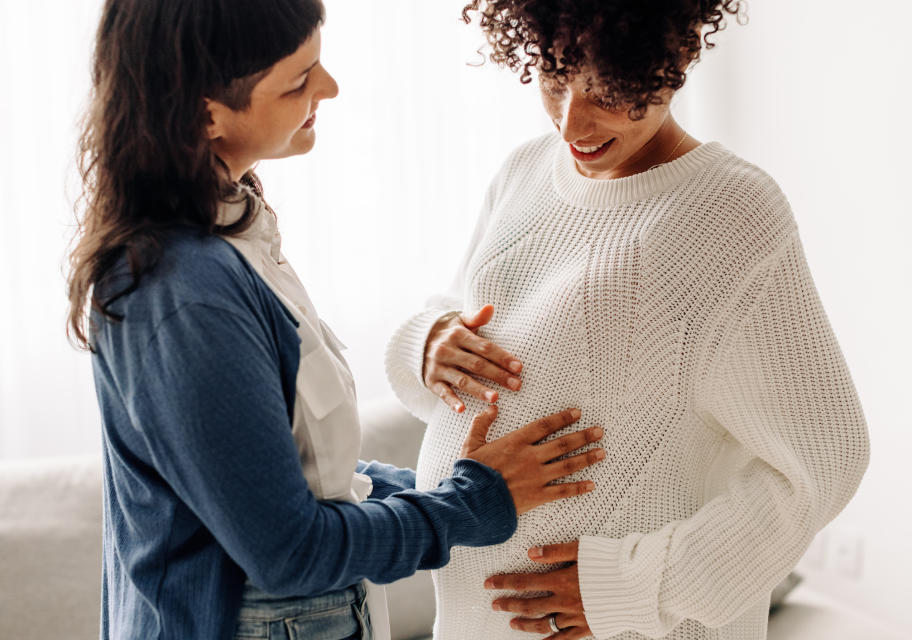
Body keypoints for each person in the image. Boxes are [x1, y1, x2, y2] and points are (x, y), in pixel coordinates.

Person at [65, 1, 609, 639]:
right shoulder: (185, 295)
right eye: (298, 80)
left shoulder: (231, 236)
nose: (329, 88)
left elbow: (289, 476)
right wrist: (474, 501)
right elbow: (292, 551)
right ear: (205, 112)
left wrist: (439, 482)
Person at [384, 1, 871, 639]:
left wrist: (634, 585)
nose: (570, 123)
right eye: (555, 81)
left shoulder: (730, 213)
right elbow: (461, 328)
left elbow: (827, 454)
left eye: (607, 93)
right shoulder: (524, 173)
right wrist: (426, 345)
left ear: (672, 64)